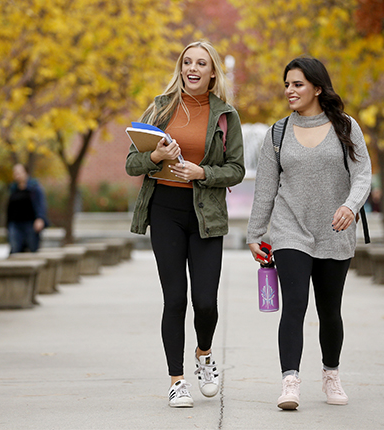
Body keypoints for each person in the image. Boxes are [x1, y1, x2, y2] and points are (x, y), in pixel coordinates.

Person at [246, 57, 371, 410]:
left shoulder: (346, 126)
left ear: (317, 87)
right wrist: (255, 232)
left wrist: (350, 205)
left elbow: (363, 174)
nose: (289, 90)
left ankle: (331, 375)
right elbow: (266, 187)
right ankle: (290, 382)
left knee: (330, 310)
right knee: (295, 305)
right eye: (287, 84)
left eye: (297, 84)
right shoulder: (278, 132)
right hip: (290, 230)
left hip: (335, 229)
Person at [125, 40, 245, 408]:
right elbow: (132, 163)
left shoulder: (226, 115)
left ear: (212, 73)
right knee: (175, 299)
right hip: (165, 209)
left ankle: (204, 354)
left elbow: (237, 169)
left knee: (205, 302)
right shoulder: (159, 109)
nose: (192, 68)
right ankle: (177, 380)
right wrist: (155, 155)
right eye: (187, 62)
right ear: (181, 68)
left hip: (206, 214)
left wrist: (202, 172)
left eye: (201, 63)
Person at [6, 163, 49, 254]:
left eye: (19, 172)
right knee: (15, 250)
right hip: (15, 224)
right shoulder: (13, 189)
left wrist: (40, 218)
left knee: (33, 249)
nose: (17, 175)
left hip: (30, 224)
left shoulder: (34, 188)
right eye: (15, 172)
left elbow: (41, 204)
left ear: (25, 173)